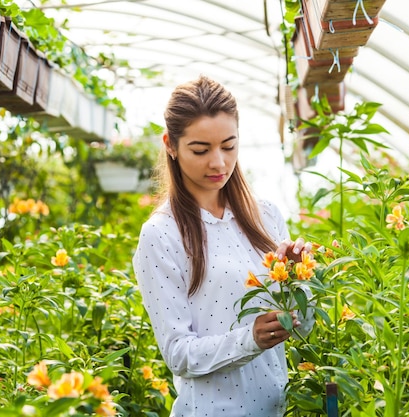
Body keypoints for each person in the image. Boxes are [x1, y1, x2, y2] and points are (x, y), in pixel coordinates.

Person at [132, 75, 313, 417]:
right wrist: (251, 339)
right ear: (170, 144)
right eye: (200, 150)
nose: (218, 163)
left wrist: (299, 283)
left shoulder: (266, 216)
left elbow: (303, 327)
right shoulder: (162, 233)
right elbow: (177, 353)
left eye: (229, 146)